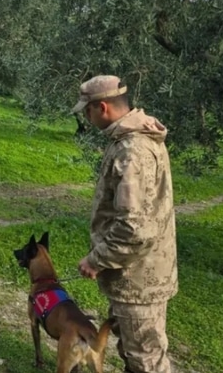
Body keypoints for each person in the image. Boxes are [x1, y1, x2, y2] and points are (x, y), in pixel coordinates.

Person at [72, 75, 178, 373]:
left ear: (101, 107)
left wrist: (96, 259)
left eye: (87, 110)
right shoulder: (133, 139)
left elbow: (134, 228)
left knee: (146, 360)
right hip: (138, 273)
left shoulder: (133, 151)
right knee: (135, 353)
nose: (87, 117)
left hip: (139, 278)